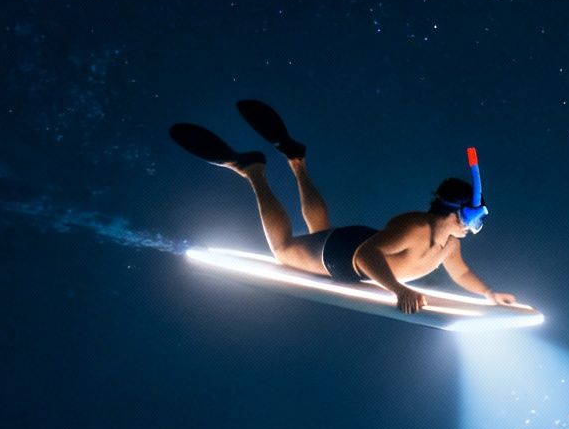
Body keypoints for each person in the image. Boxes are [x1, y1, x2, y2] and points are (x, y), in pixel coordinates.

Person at [169, 101, 518, 315]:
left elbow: (461, 274)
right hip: (345, 256)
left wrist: (489, 293)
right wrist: (399, 290)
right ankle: (253, 172)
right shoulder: (416, 227)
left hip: (353, 244)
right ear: (455, 211)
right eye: (475, 218)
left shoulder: (449, 245)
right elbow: (367, 256)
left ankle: (296, 160)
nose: (474, 228)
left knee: (319, 231)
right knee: (283, 250)